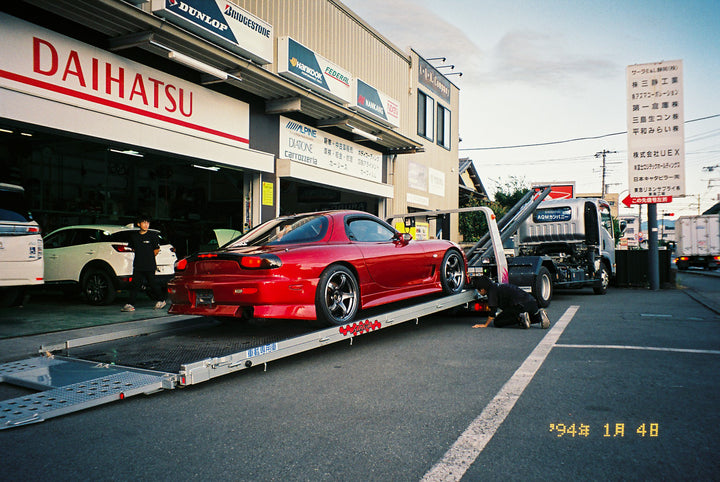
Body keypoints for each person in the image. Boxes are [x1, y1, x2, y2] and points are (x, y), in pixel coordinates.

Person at [121, 215, 167, 312]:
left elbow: (156, 250)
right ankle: (130, 304)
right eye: (144, 222)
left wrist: (148, 257)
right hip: (138, 265)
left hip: (149, 265)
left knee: (153, 283)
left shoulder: (152, 235)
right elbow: (133, 248)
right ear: (139, 224)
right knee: (135, 285)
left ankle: (161, 300)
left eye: (147, 223)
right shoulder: (134, 236)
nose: (146, 225)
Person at [471, 275, 550, 329]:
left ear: (482, 289)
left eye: (478, 291)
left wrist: (485, 325)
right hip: (531, 303)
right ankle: (538, 317)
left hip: (520, 306)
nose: (479, 293)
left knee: (498, 322)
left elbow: (493, 311)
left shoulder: (491, 291)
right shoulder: (498, 286)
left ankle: (520, 317)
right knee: (510, 312)